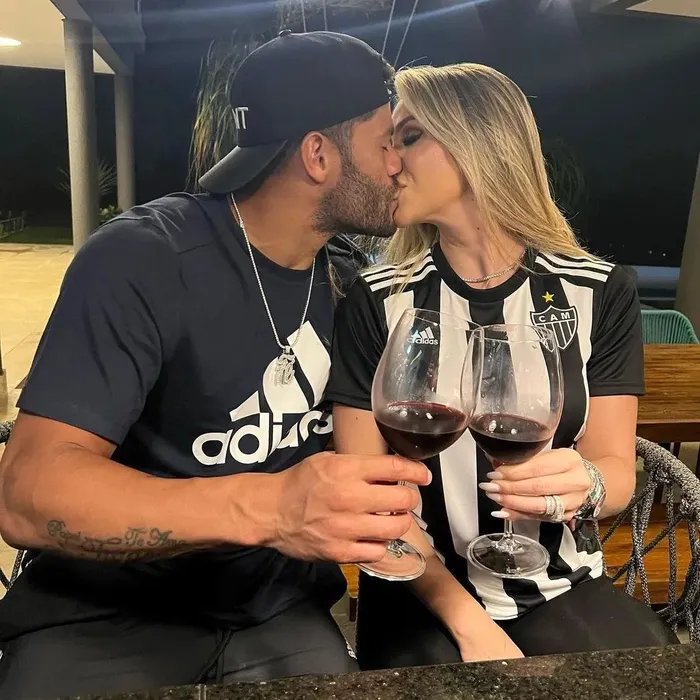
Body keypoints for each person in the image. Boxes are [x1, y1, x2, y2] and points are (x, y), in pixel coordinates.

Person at [0, 31, 432, 698]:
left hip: (277, 610)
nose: (399, 164)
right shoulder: (144, 260)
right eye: (386, 143)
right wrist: (274, 506)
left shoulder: (348, 281)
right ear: (318, 155)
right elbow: (29, 494)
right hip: (104, 613)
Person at [327, 62, 679, 669]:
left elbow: (617, 471)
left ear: (477, 141)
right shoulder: (377, 300)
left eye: (409, 136)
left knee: (649, 674)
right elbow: (370, 499)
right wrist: (471, 626)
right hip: (419, 583)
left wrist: (588, 485)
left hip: (558, 582)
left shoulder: (600, 291)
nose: (389, 161)